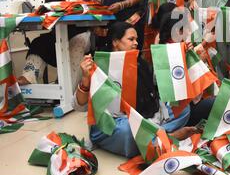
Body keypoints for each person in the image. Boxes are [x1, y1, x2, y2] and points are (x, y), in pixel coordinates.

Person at [74, 22, 198, 158]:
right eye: (131, 39)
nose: (136, 43)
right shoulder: (101, 66)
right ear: (115, 42)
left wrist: (181, 57)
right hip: (116, 124)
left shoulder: (140, 63)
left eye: (137, 39)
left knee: (183, 108)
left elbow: (163, 86)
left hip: (146, 118)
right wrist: (86, 79)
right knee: (128, 128)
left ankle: (154, 136)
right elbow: (79, 106)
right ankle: (164, 137)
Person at [17, 0, 91, 87]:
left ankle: (69, 88)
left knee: (77, 44)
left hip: (79, 33)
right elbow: (44, 15)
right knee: (38, 43)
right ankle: (28, 77)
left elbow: (90, 12)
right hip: (57, 34)